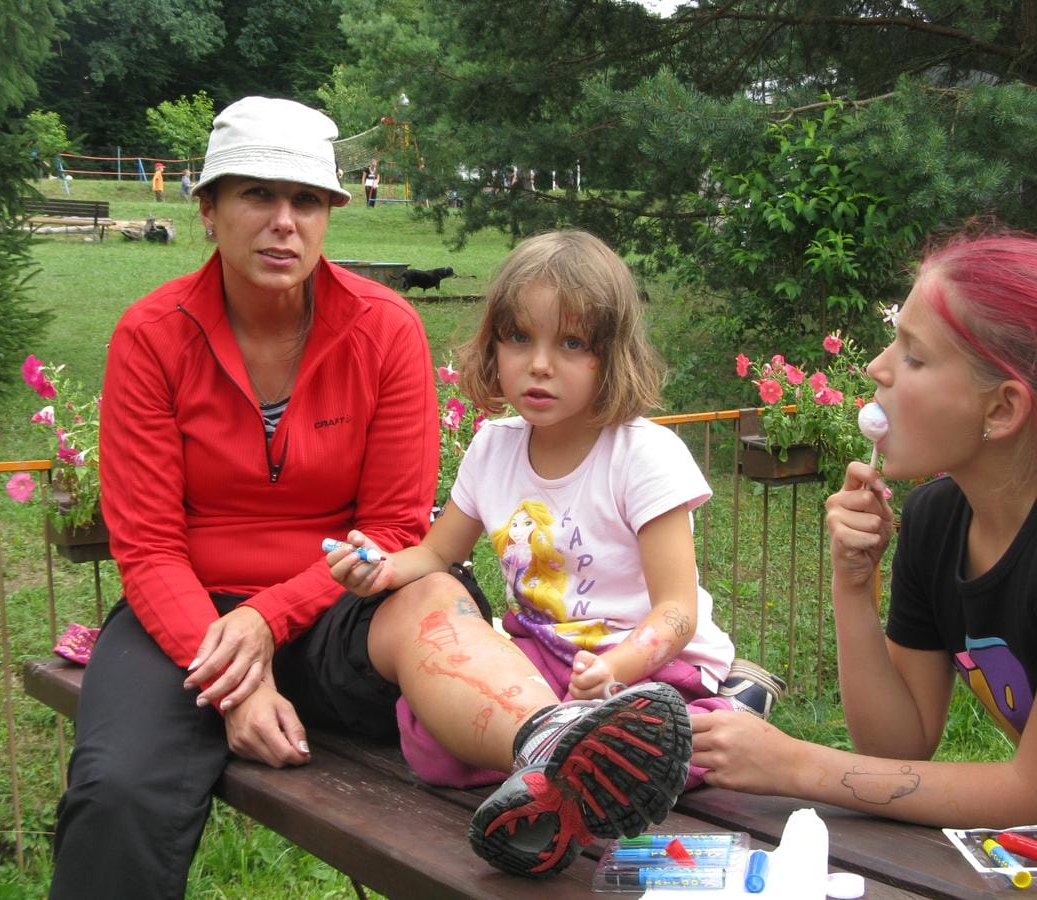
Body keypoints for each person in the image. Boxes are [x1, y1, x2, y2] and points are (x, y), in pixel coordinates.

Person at [49, 96, 440, 899]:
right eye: (257, 194)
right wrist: (239, 677)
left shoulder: (386, 330)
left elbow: (393, 526)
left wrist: (267, 620)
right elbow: (148, 544)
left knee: (463, 718)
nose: (283, 223)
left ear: (329, 214)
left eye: (306, 200)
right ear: (209, 210)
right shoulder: (151, 337)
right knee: (117, 791)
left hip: (341, 609)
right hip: (185, 612)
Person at [327, 230, 760, 878]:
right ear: (493, 345)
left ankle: (714, 714)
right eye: (519, 337)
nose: (539, 364)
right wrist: (383, 568)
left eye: (572, 343)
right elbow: (438, 554)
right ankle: (572, 776)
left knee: (655, 732)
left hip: (643, 660)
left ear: (612, 355)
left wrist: (617, 665)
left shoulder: (643, 455)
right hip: (544, 656)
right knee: (427, 740)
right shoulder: (493, 448)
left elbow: (676, 611)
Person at [693, 231, 1037, 829]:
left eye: (914, 356)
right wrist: (853, 586)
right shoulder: (936, 520)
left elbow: (1027, 792)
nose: (877, 367)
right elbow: (898, 747)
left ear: (1002, 409)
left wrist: (794, 764)